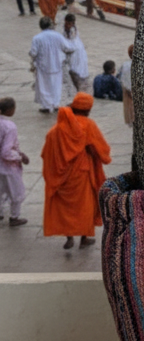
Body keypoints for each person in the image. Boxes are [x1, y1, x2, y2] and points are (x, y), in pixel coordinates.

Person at [41, 92, 111, 251]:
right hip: (81, 174)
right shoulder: (89, 125)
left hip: (62, 177)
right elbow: (101, 151)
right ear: (87, 110)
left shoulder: (56, 130)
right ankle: (84, 238)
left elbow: (47, 154)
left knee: (66, 208)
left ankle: (69, 237)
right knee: (84, 206)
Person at [29, 16, 75, 113]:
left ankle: (46, 106)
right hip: (57, 64)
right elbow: (68, 48)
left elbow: (33, 52)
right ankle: (55, 104)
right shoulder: (58, 36)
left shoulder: (36, 38)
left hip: (42, 65)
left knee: (44, 85)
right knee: (56, 85)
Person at [0, 98, 29, 227]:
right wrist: (19, 156)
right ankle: (14, 216)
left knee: (1, 190)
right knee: (16, 192)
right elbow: (6, 152)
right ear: (10, 110)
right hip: (8, 166)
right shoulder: (9, 126)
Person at [62, 13, 90, 92]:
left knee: (76, 66)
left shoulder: (73, 30)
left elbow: (73, 41)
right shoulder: (63, 29)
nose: (68, 25)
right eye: (67, 23)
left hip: (76, 50)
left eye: (69, 23)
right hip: (69, 49)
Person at [119, 44, 134, 125]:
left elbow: (120, 75)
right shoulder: (141, 65)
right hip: (135, 88)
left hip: (126, 86)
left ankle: (130, 120)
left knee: (128, 105)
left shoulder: (125, 64)